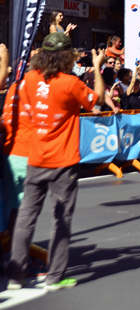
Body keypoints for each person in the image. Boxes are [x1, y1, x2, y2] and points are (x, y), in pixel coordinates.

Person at [7, 32, 105, 291]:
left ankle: (16, 275)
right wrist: (96, 68)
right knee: (61, 218)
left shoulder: (28, 79)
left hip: (36, 157)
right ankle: (55, 277)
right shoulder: (70, 83)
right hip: (63, 160)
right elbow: (96, 101)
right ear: (68, 56)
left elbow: (28, 108)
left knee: (26, 217)